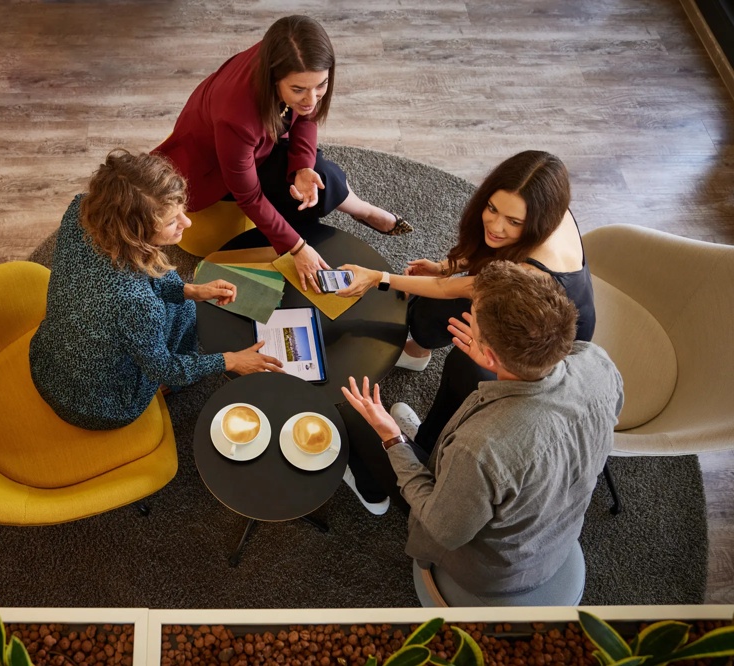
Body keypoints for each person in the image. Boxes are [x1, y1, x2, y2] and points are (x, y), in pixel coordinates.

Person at [341, 261, 623, 606]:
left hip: (492, 570)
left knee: (356, 419)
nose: (468, 318)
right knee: (463, 365)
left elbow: (442, 527)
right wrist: (490, 362)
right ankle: (431, 450)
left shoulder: (479, 449)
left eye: (471, 315)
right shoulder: (598, 361)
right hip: (551, 525)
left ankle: (375, 486)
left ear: (490, 352)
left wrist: (390, 437)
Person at [338, 151, 596, 476]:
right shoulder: (546, 213)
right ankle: (418, 350)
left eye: (514, 222)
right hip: (516, 298)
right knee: (432, 305)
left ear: (538, 220)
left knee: (466, 369)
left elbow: (457, 288)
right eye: (491, 208)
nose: (496, 225)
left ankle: (428, 446)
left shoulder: (535, 273)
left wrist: (379, 279)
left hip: (541, 346)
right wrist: (447, 266)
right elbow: (497, 252)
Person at [29, 149, 282, 431]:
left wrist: (192, 290)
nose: (186, 223)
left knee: (183, 301)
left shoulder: (82, 209)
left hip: (47, 363)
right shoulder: (137, 303)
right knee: (182, 312)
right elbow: (164, 366)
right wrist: (232, 360)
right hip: (100, 405)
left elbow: (135, 270)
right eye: (173, 221)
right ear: (135, 233)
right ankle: (169, 388)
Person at [154, 15, 410, 291]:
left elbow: (306, 116)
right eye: (299, 89)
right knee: (300, 200)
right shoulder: (235, 117)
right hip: (213, 166)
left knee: (316, 175)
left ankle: (363, 210)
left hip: (261, 140)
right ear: (273, 78)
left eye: (320, 86)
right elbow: (248, 196)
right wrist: (297, 248)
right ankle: (359, 210)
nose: (311, 100)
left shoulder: (287, 57)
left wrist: (302, 167)